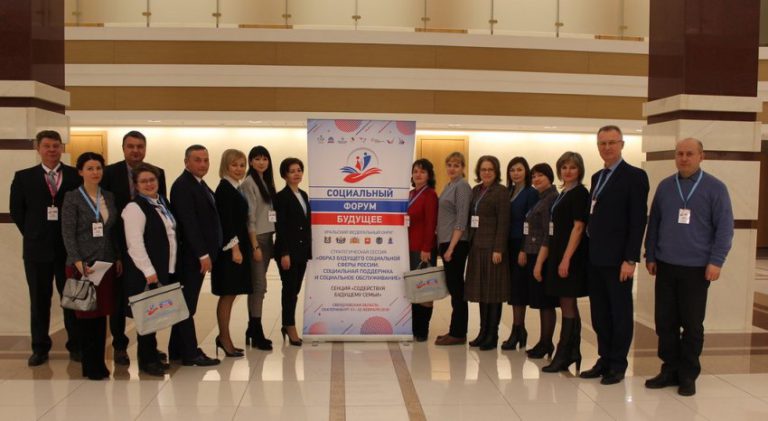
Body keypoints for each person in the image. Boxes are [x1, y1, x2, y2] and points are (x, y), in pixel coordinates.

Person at [644, 138, 734, 397]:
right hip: (665, 265)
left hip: (696, 268)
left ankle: (688, 374)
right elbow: (654, 223)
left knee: (692, 324)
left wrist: (716, 261)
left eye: (689, 154)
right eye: (680, 153)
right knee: (665, 322)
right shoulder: (665, 186)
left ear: (701, 156)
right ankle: (669, 369)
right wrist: (651, 254)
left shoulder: (715, 188)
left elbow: (725, 228)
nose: (684, 158)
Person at [580, 125, 649, 385]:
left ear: (622, 144)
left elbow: (637, 221)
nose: (607, 147)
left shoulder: (635, 176)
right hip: (595, 257)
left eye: (612, 142)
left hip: (619, 260)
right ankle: (604, 358)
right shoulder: (597, 177)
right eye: (602, 143)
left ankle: (618, 363)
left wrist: (630, 259)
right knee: (599, 313)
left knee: (619, 312)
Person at [10, 130, 82, 366]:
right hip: (36, 250)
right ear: (38, 148)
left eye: (56, 146)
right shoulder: (24, 177)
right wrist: (34, 234)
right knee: (39, 301)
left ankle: (76, 346)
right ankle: (40, 348)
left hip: (68, 250)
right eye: (47, 146)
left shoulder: (75, 176)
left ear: (62, 148)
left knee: (71, 299)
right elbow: (17, 211)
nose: (52, 150)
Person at [101, 130, 167, 366]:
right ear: (123, 148)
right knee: (119, 301)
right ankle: (120, 345)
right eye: (131, 146)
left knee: (149, 299)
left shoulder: (157, 172)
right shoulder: (110, 173)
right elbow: (106, 217)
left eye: (140, 146)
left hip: (149, 248)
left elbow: (160, 207)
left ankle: (149, 347)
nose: (136, 150)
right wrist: (116, 253)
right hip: (120, 247)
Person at [61, 152, 119, 380]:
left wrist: (117, 257)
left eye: (98, 168)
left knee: (102, 314)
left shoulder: (108, 196)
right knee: (86, 316)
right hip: (82, 265)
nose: (95, 172)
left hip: (105, 263)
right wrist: (78, 262)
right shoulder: (72, 197)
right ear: (80, 172)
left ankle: (100, 362)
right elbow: (67, 233)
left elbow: (111, 231)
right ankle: (90, 365)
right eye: (90, 168)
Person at [168, 145, 222, 366]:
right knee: (187, 305)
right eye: (197, 160)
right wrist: (202, 254)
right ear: (186, 162)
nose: (203, 164)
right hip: (190, 257)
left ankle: (176, 350)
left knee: (185, 303)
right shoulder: (183, 186)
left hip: (196, 256)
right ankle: (191, 353)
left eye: (206, 160)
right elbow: (189, 224)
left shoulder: (199, 183)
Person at [121, 163, 175, 377]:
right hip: (145, 271)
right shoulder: (134, 208)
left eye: (152, 180)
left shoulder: (161, 202)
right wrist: (148, 271)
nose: (149, 184)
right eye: (143, 181)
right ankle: (147, 360)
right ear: (136, 185)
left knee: (154, 315)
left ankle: (152, 353)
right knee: (146, 316)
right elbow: (134, 244)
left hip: (162, 267)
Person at [541, 151, 589, 373]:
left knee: (568, 303)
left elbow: (578, 228)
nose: (568, 171)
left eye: (572, 167)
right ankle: (573, 351)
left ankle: (563, 353)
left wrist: (566, 259)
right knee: (565, 302)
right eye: (564, 167)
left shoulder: (579, 193)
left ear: (580, 170)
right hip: (558, 252)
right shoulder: (563, 193)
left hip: (570, 256)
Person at [465, 155, 511, 351]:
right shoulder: (476, 190)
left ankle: (492, 335)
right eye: (483, 169)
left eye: (490, 169)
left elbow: (503, 222)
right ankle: (483, 332)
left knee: (493, 294)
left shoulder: (501, 192)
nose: (486, 173)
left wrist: (498, 248)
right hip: (477, 248)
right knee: (482, 293)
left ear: (496, 171)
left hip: (493, 249)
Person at [211, 149, 254, 357]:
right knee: (227, 294)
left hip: (238, 247)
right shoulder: (224, 189)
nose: (239, 169)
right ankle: (224, 338)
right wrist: (235, 248)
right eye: (234, 165)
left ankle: (224, 337)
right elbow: (226, 221)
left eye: (242, 165)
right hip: (230, 250)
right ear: (225, 166)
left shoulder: (235, 187)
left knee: (232, 292)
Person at [520, 163, 559, 359]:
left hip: (542, 256)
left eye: (540, 175)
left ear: (549, 176)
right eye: (534, 176)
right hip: (533, 253)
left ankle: (546, 342)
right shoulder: (541, 197)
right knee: (541, 301)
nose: (536, 179)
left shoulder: (551, 198)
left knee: (546, 302)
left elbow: (547, 234)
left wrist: (539, 263)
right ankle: (544, 342)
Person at [240, 146, 277, 350]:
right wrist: (254, 245)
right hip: (258, 240)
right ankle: (257, 330)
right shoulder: (249, 183)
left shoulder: (266, 182)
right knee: (259, 286)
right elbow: (250, 218)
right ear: (251, 162)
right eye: (257, 159)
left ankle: (251, 328)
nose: (261, 162)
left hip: (268, 238)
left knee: (257, 287)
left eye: (265, 159)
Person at [435, 152, 472, 346]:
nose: (452, 168)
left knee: (457, 289)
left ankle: (458, 333)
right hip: (447, 242)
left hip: (456, 243)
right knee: (453, 287)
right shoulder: (449, 186)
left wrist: (451, 247)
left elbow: (461, 218)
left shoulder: (462, 186)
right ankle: (454, 329)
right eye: (449, 164)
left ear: (463, 167)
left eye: (456, 165)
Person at [501, 157, 538, 351]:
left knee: (519, 288)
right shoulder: (508, 191)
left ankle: (518, 330)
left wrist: (524, 248)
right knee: (513, 289)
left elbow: (530, 223)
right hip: (507, 243)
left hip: (520, 245)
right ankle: (519, 330)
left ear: (526, 172)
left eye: (519, 170)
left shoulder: (531, 193)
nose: (515, 173)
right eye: (512, 170)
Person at [274, 157, 312, 346]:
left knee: (295, 290)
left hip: (302, 251)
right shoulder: (281, 197)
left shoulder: (303, 194)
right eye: (292, 171)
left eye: (299, 170)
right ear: (284, 175)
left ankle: (286, 323)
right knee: (289, 290)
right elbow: (280, 227)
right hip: (288, 251)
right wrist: (284, 253)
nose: (297, 174)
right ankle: (290, 326)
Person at [407, 159, 439, 342]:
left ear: (429, 175)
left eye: (422, 171)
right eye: (415, 171)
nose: (418, 174)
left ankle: (422, 329)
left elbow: (431, 223)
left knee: (426, 290)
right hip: (409, 247)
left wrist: (427, 248)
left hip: (423, 249)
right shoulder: (411, 194)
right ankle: (414, 326)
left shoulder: (430, 195)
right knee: (414, 288)